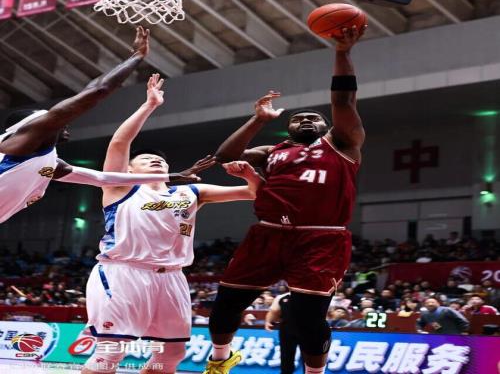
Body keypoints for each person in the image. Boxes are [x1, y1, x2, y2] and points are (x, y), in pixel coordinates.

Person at [204, 25, 366, 374]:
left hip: (320, 238)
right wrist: (258, 119)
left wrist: (342, 53)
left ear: (326, 127)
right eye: (298, 118)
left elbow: (343, 101)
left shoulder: (342, 144)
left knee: (307, 319)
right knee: (225, 305)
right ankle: (219, 361)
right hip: (267, 234)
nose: (306, 120)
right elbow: (224, 155)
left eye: (314, 118)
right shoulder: (272, 151)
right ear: (288, 129)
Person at [81, 75, 264, 374]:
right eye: (145, 159)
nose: (155, 161)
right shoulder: (120, 188)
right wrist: (150, 105)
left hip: (172, 278)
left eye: (160, 160)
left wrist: (249, 175)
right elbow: (119, 142)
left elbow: (253, 193)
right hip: (124, 272)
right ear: (129, 170)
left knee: (171, 355)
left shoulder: (191, 192)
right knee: (110, 353)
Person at [0, 27, 199, 224]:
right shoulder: (30, 138)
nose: (65, 123)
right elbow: (98, 90)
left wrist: (171, 177)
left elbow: (102, 179)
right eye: (54, 120)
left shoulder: (49, 165)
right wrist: (136, 56)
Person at [265, 292, 301, 374]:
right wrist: (268, 321)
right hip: (287, 329)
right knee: (286, 355)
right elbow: (273, 312)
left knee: (309, 356)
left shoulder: (313, 295)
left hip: (308, 330)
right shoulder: (281, 297)